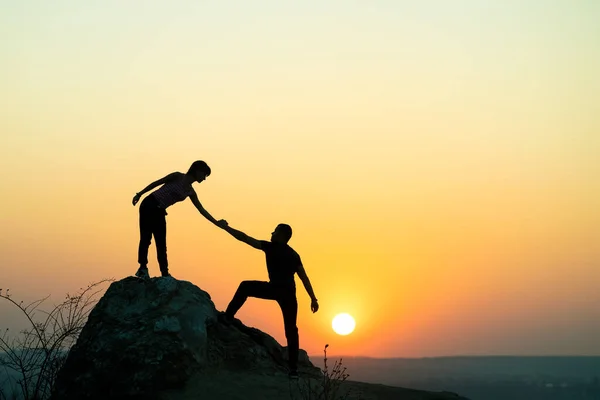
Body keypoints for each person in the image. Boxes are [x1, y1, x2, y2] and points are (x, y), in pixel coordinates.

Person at [216, 221, 319, 379]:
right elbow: (304, 278)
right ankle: (293, 371)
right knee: (292, 330)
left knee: (245, 286)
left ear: (282, 235)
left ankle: (228, 317)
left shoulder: (272, 247)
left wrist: (226, 227)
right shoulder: (294, 254)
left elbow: (244, 238)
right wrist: (313, 299)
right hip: (289, 294)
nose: (271, 234)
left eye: (275, 231)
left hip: (277, 290)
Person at [131, 160, 225, 279]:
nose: (204, 178)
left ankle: (164, 273)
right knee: (146, 238)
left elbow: (202, 210)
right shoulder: (177, 176)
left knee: (161, 243)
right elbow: (157, 183)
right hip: (149, 204)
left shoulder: (190, 191)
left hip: (160, 211)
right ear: (197, 171)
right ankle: (143, 268)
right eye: (204, 175)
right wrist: (139, 194)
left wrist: (217, 222)